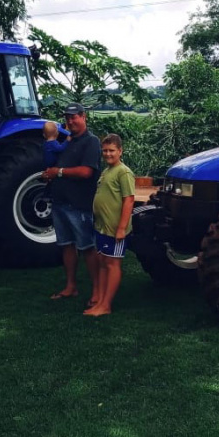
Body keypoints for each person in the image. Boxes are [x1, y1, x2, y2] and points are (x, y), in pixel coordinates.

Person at [41, 103, 102, 304]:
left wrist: (58, 172)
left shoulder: (91, 142)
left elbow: (86, 172)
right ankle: (70, 287)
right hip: (59, 203)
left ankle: (97, 291)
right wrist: (49, 174)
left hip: (79, 205)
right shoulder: (65, 141)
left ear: (84, 117)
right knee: (66, 246)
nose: (70, 121)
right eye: (68, 117)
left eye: (74, 117)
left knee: (87, 247)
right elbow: (57, 166)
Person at [85, 134, 135, 316]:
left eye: (111, 150)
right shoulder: (106, 171)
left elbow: (129, 200)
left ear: (120, 151)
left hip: (115, 229)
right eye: (105, 150)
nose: (107, 154)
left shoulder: (124, 172)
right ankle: (100, 301)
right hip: (102, 227)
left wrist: (121, 228)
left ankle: (106, 305)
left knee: (112, 264)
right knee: (103, 262)